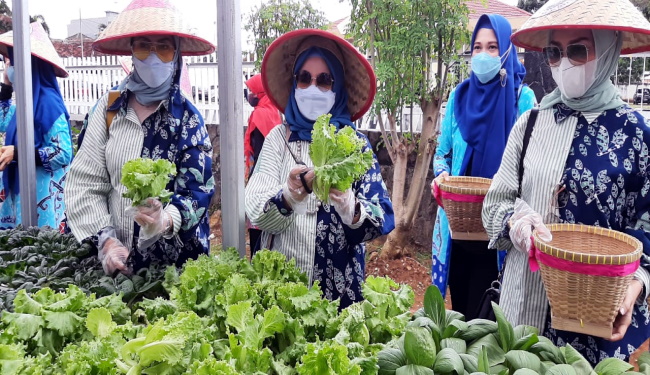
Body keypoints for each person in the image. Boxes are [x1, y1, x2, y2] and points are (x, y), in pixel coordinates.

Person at [482, 0, 650, 364]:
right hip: (525, 307)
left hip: (596, 317)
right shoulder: (530, 123)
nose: (564, 64)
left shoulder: (636, 133)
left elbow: (648, 219)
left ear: (608, 50)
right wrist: (517, 224)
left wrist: (637, 283)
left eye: (578, 50)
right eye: (555, 53)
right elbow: (494, 204)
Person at [245, 29, 394, 308]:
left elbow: (383, 215)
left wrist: (352, 209)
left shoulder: (355, 145)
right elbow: (253, 207)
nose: (313, 87)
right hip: (280, 296)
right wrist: (287, 197)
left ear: (337, 88)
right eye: (304, 79)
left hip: (340, 299)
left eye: (324, 80)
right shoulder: (279, 139)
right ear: (294, 84)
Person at [65, 0, 216, 275]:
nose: (154, 56)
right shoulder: (108, 109)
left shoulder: (188, 118)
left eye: (164, 47)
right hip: (113, 271)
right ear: (132, 52)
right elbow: (86, 181)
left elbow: (199, 190)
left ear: (177, 53)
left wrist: (165, 220)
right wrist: (107, 241)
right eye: (144, 46)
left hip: (173, 274)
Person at [430, 14, 536, 320]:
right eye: (477, 47)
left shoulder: (522, 99)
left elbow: (528, 164)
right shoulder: (458, 97)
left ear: (506, 51)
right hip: (458, 227)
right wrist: (442, 175)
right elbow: (442, 153)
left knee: (490, 322)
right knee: (460, 314)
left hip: (500, 234)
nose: (483, 55)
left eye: (492, 47)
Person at [0, 22, 72, 230]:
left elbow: (63, 152)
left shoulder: (48, 102)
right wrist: (6, 85)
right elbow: (2, 120)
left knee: (41, 252)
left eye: (12, 62)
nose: (9, 68)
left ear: (29, 64)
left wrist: (20, 153)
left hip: (42, 197)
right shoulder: (26, 100)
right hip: (22, 191)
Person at [244, 73, 282, 255]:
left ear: (260, 92)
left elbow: (259, 153)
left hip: (260, 178)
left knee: (257, 230)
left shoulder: (259, 115)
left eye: (252, 91)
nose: (249, 95)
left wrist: (252, 182)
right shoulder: (274, 112)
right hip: (275, 179)